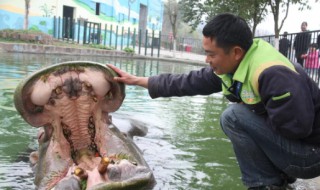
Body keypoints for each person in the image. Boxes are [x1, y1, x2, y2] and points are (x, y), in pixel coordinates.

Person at [108, 13, 320, 190]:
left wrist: (254, 110)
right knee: (238, 115)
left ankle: (265, 184)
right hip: (296, 149)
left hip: (310, 156)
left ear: (236, 52)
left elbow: (296, 129)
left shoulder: (273, 74)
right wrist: (137, 80)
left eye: (211, 54)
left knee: (234, 117)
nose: (207, 60)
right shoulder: (237, 65)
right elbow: (188, 82)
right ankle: (271, 183)